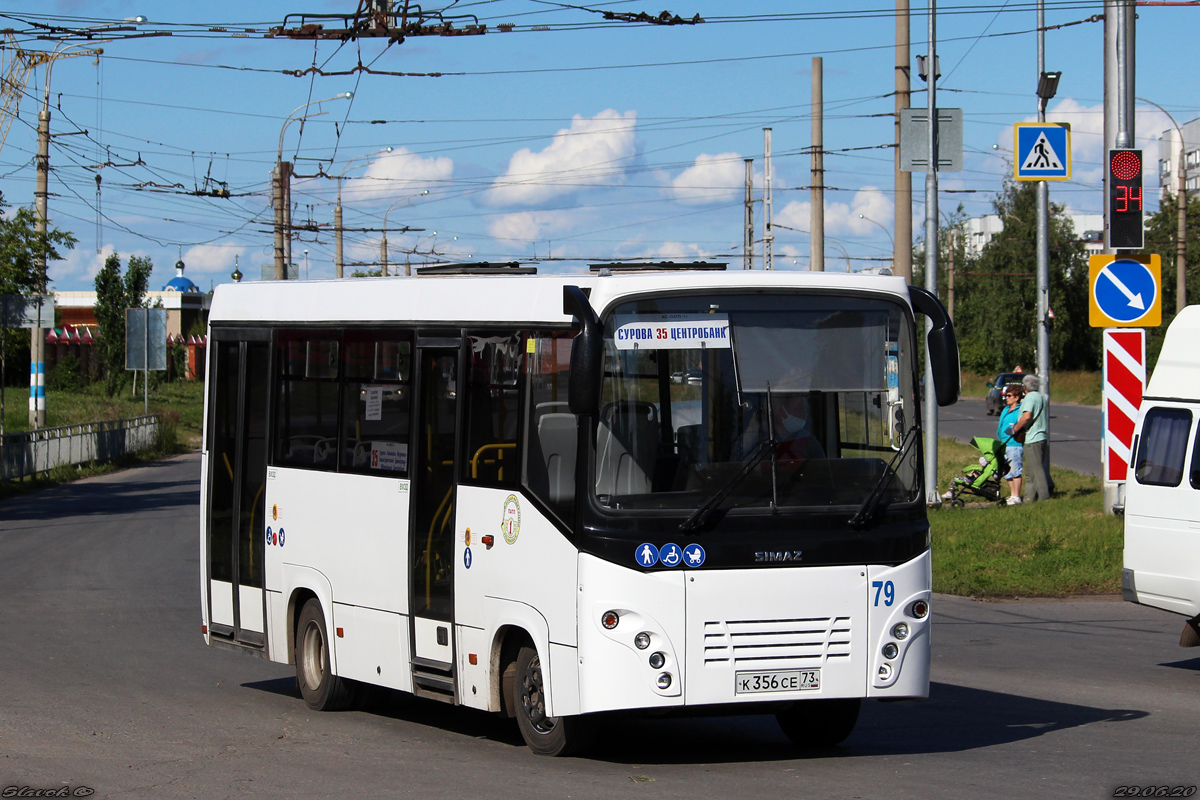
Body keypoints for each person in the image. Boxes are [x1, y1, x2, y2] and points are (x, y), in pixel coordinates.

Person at [1011, 374, 1050, 502]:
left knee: (1036, 470)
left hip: (1033, 438)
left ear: (1025, 387)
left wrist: (1015, 429)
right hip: (1041, 436)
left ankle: (1044, 498)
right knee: (1030, 473)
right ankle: (1029, 499)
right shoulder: (1040, 397)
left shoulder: (1029, 398)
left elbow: (1027, 416)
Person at [996, 385, 1025, 504]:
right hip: (1003, 443)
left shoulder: (1019, 410)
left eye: (1009, 396)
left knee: (1015, 470)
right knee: (1006, 471)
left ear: (1016, 397)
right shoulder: (1005, 409)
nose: (1006, 398)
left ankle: (1017, 496)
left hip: (1014, 444)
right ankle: (1012, 494)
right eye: (1006, 395)